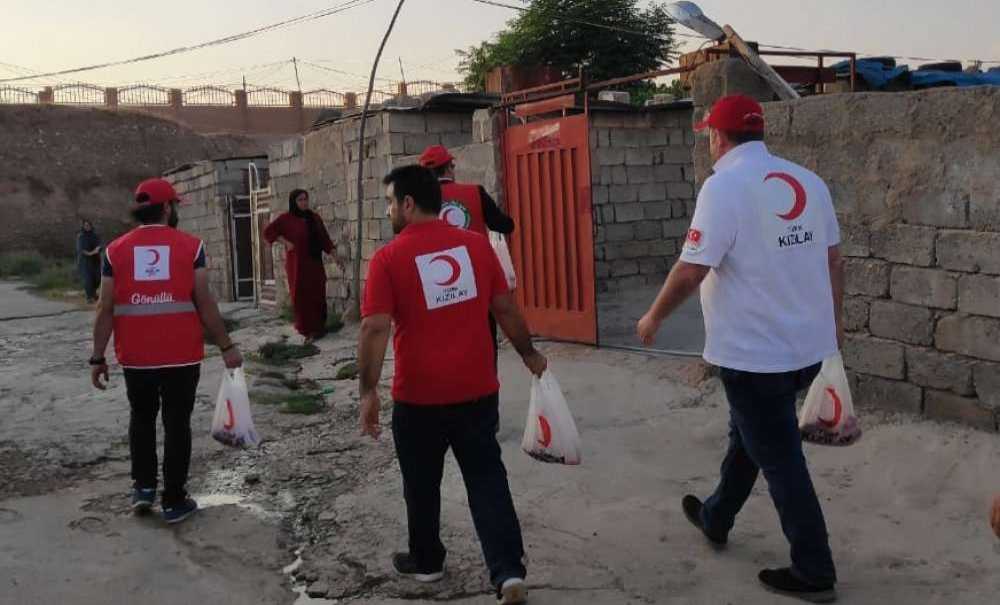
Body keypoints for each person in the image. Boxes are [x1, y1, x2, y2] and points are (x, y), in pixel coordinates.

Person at [637, 95, 844, 602]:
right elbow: (833, 260)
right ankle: (716, 516)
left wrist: (653, 317)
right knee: (749, 435)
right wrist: (830, 329)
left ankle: (815, 569)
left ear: (718, 136)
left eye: (709, 133)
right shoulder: (807, 181)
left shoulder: (723, 185)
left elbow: (691, 269)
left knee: (779, 458)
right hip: (804, 350)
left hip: (755, 355)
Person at [358, 165, 546, 605]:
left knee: (421, 482)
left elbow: (373, 329)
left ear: (407, 204)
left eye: (390, 202)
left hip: (418, 398)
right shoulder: (477, 247)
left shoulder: (388, 258)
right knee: (486, 478)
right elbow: (505, 307)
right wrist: (528, 353)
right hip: (477, 390)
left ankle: (427, 562)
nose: (388, 210)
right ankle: (508, 572)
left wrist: (367, 391)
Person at [89, 178, 243, 525]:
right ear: (168, 208)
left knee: (141, 418)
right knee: (177, 424)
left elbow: (105, 306)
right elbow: (204, 302)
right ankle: (174, 500)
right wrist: (227, 347)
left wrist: (98, 357)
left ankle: (142, 489)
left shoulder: (115, 251)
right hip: (181, 355)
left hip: (136, 357)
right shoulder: (191, 247)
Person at [419, 145, 515, 369]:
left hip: (436, 284)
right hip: (476, 280)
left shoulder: (417, 203)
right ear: (450, 169)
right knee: (482, 339)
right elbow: (504, 225)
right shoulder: (475, 193)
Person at [264, 189, 335, 344]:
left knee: (318, 293)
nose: (304, 203)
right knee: (301, 296)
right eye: (300, 200)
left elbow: (324, 239)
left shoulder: (314, 218)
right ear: (294, 202)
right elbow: (269, 231)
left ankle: (318, 328)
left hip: (314, 264)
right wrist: (286, 242)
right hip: (297, 266)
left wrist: (335, 256)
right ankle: (306, 330)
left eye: (305, 199)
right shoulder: (286, 219)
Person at [76, 219, 102, 303]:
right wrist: (91, 253)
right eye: (85, 225)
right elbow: (81, 250)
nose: (87, 227)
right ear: (83, 227)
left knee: (98, 278)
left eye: (88, 225)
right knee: (88, 280)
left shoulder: (95, 236)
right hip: (85, 261)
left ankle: (93, 293)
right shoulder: (81, 237)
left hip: (95, 261)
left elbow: (99, 245)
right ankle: (89, 297)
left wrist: (98, 249)